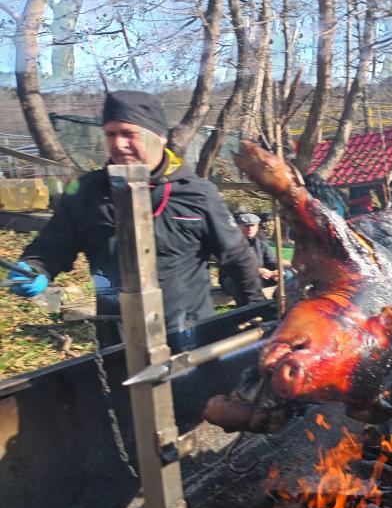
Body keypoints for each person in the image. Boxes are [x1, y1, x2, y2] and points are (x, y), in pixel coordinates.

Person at [7, 91, 263, 346]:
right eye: (110, 134)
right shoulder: (86, 192)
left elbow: (236, 257)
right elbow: (53, 244)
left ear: (159, 137)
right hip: (119, 339)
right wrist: (35, 267)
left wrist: (256, 312)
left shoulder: (197, 194)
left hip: (190, 336)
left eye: (129, 134)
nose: (118, 144)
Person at [221, 212, 279, 292]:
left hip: (258, 279)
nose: (250, 229)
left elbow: (270, 260)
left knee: (287, 275)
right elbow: (233, 267)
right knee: (249, 282)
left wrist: (276, 270)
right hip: (233, 280)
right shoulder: (231, 242)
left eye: (253, 226)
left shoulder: (261, 241)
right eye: (247, 226)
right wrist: (256, 271)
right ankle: (253, 303)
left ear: (257, 227)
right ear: (239, 226)